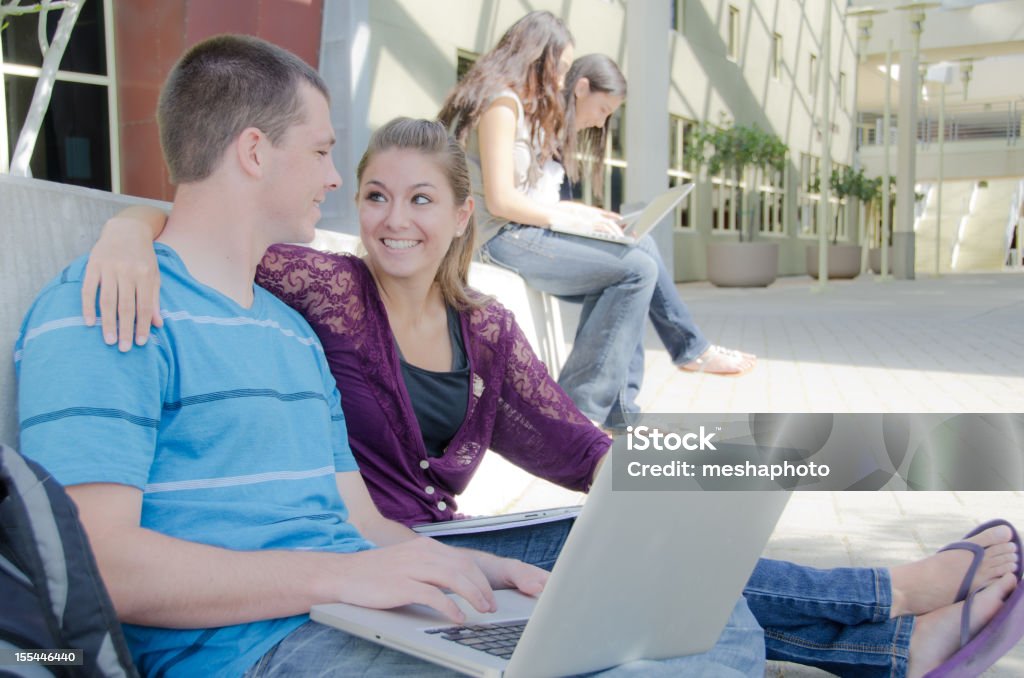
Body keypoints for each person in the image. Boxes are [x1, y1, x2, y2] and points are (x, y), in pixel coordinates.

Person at [83, 114, 1020, 678]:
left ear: (462, 219)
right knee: (593, 550)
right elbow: (196, 225)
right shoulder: (322, 286)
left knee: (636, 547)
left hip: (445, 549)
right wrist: (125, 233)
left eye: (418, 201)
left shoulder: (486, 329)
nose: (391, 220)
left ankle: (890, 648)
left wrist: (738, 472)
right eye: (373, 195)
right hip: (384, 555)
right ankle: (890, 599)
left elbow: (583, 452)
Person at [15, 37, 767, 678]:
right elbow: (98, 566)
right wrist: (345, 576)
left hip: (365, 609)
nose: (335, 181)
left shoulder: (290, 329)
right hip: (262, 650)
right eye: (321, 152)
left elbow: (360, 520)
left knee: (703, 620)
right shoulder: (107, 308)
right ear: (253, 151)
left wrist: (477, 571)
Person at [436, 11, 754, 431]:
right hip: (496, 240)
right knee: (637, 267)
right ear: (537, 56)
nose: (562, 78)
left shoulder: (518, 106)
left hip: (518, 232)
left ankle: (620, 409)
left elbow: (522, 198)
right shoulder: (501, 102)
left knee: (637, 257)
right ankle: (577, 411)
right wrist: (568, 218)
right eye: (562, 66)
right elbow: (500, 200)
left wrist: (581, 215)